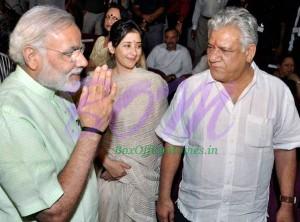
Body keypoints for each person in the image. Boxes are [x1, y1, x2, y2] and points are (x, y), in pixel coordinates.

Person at [156, 7, 300, 222]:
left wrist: (287, 204)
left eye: (224, 50)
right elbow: (174, 144)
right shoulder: (191, 89)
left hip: (248, 216)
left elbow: (285, 151)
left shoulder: (277, 94)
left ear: (249, 52)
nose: (213, 57)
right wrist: (164, 196)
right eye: (210, 47)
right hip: (193, 213)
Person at [0, 6, 116, 221]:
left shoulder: (58, 88)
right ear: (32, 56)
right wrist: (92, 130)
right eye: (70, 52)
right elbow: (52, 213)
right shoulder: (9, 113)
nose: (82, 62)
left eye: (81, 49)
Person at [97, 19, 168, 222]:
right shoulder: (100, 82)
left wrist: (127, 170)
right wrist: (107, 164)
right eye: (127, 45)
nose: (133, 52)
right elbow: (87, 132)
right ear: (112, 47)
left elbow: (157, 140)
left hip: (141, 179)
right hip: (107, 177)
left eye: (138, 46)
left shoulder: (154, 83)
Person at [191, 0, 228, 65]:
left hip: (216, 21)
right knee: (199, 44)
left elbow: (223, 8)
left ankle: (211, 65)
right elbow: (197, 9)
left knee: (214, 44)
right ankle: (197, 65)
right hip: (203, 20)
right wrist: (194, 26)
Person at [88, 4, 123, 70]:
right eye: (107, 17)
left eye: (114, 18)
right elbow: (89, 67)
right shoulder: (100, 40)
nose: (109, 21)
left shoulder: (121, 45)